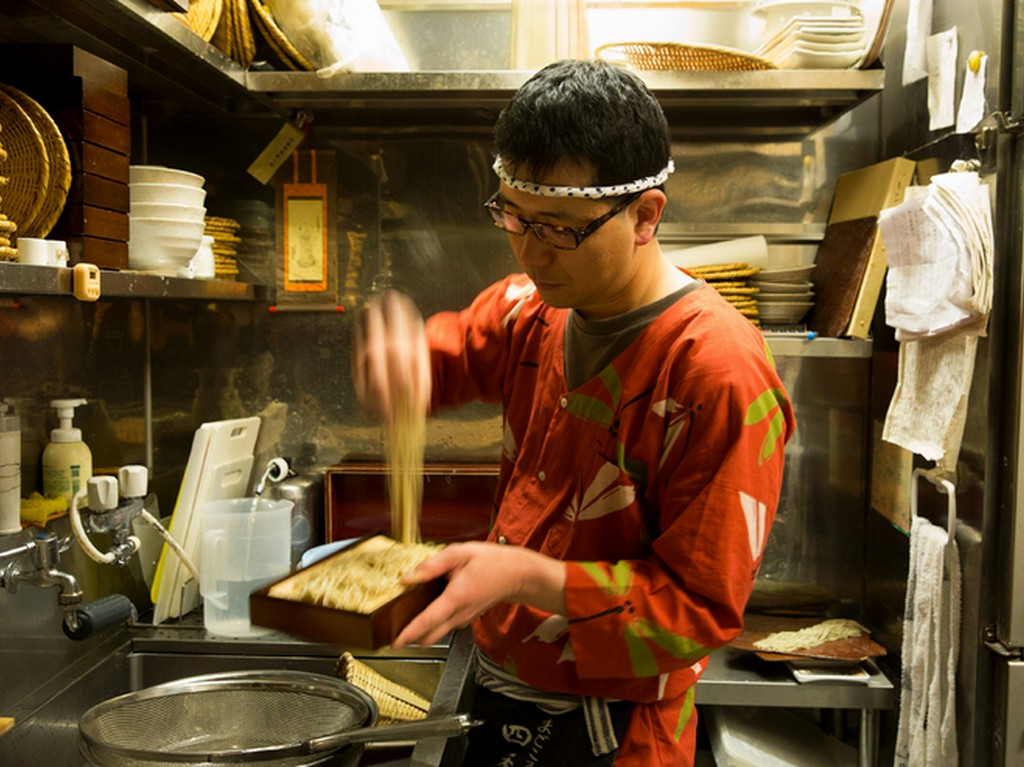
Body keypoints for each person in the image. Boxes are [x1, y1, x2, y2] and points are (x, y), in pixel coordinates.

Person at [353, 58, 794, 767]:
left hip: (616, 731)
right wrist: (407, 362)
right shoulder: (533, 306)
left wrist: (526, 578)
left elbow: (698, 614)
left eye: (558, 228)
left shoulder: (715, 373)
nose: (529, 251)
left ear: (646, 214)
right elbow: (457, 348)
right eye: (512, 216)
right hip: (498, 692)